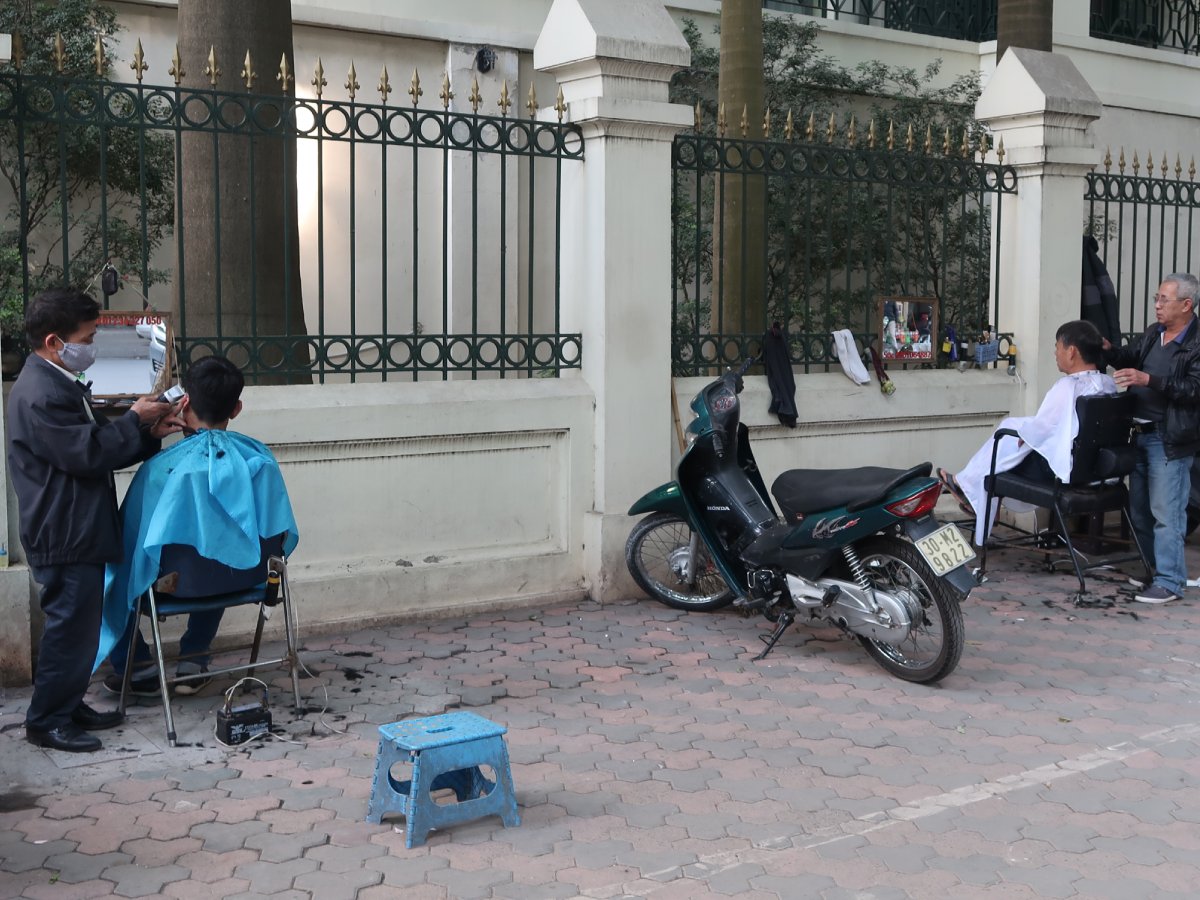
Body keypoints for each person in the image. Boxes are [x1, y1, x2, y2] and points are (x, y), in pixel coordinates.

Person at [7, 288, 181, 752]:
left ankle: (66, 704)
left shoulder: (58, 381)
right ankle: (46, 720)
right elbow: (87, 453)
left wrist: (145, 430)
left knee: (82, 625)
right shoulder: (42, 392)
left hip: (76, 524)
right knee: (69, 626)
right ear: (53, 342)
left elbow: (95, 442)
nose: (92, 345)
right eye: (85, 337)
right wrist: (135, 419)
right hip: (63, 529)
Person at [99, 356, 299, 695]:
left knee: (104, 574)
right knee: (224, 550)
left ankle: (139, 669)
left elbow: (131, 546)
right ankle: (193, 661)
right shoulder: (260, 461)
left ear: (184, 401)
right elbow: (277, 534)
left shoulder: (160, 471)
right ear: (236, 409)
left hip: (173, 588)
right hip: (246, 578)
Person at [938, 320, 1117, 547]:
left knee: (1005, 439)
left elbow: (1041, 430)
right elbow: (1056, 425)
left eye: (1057, 347)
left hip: (1054, 473)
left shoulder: (1066, 387)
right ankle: (967, 486)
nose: (1055, 353)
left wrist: (1027, 434)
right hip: (1092, 469)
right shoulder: (1106, 384)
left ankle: (972, 492)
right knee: (1013, 429)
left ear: (1071, 352)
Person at [1103, 273, 1200, 604]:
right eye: (1156, 298)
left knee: (1166, 512)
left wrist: (1150, 380)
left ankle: (1171, 581)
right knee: (1141, 510)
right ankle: (1153, 569)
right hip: (1139, 434)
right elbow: (1130, 357)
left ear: (1186, 305)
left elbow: (1193, 390)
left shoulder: (1196, 344)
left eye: (1164, 300)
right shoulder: (1153, 333)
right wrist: (1110, 351)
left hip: (1169, 439)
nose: (1157, 305)